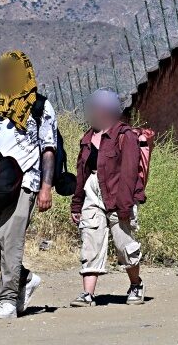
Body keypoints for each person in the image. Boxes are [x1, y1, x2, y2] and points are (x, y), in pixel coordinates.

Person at [0, 50, 57, 319]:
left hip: (25, 181)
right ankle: (25, 278)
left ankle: (7, 300)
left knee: (10, 241)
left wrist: (45, 187)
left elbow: (48, 148)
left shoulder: (40, 106)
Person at [70, 88, 145, 307]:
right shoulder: (87, 137)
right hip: (92, 192)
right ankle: (87, 294)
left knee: (124, 244)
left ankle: (136, 284)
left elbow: (129, 173)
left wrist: (124, 207)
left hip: (119, 193)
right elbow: (81, 173)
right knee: (90, 239)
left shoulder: (125, 135)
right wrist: (77, 203)